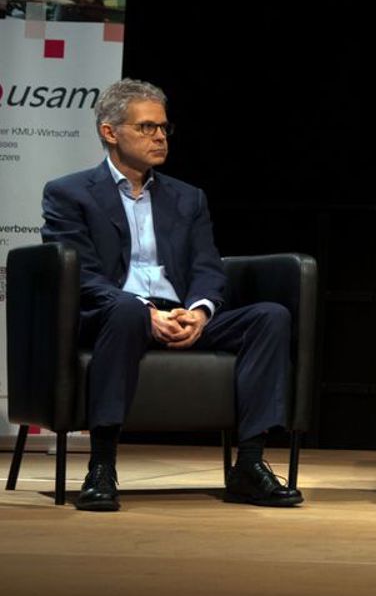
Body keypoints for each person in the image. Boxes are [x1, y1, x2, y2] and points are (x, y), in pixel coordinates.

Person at [39, 79, 300, 512]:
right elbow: (81, 273)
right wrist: (143, 310)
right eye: (146, 127)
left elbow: (207, 267)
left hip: (179, 314)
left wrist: (199, 312)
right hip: (113, 314)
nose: (160, 137)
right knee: (126, 310)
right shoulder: (69, 193)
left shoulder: (188, 198)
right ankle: (101, 466)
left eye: (163, 128)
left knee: (270, 316)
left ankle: (249, 465)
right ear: (110, 132)